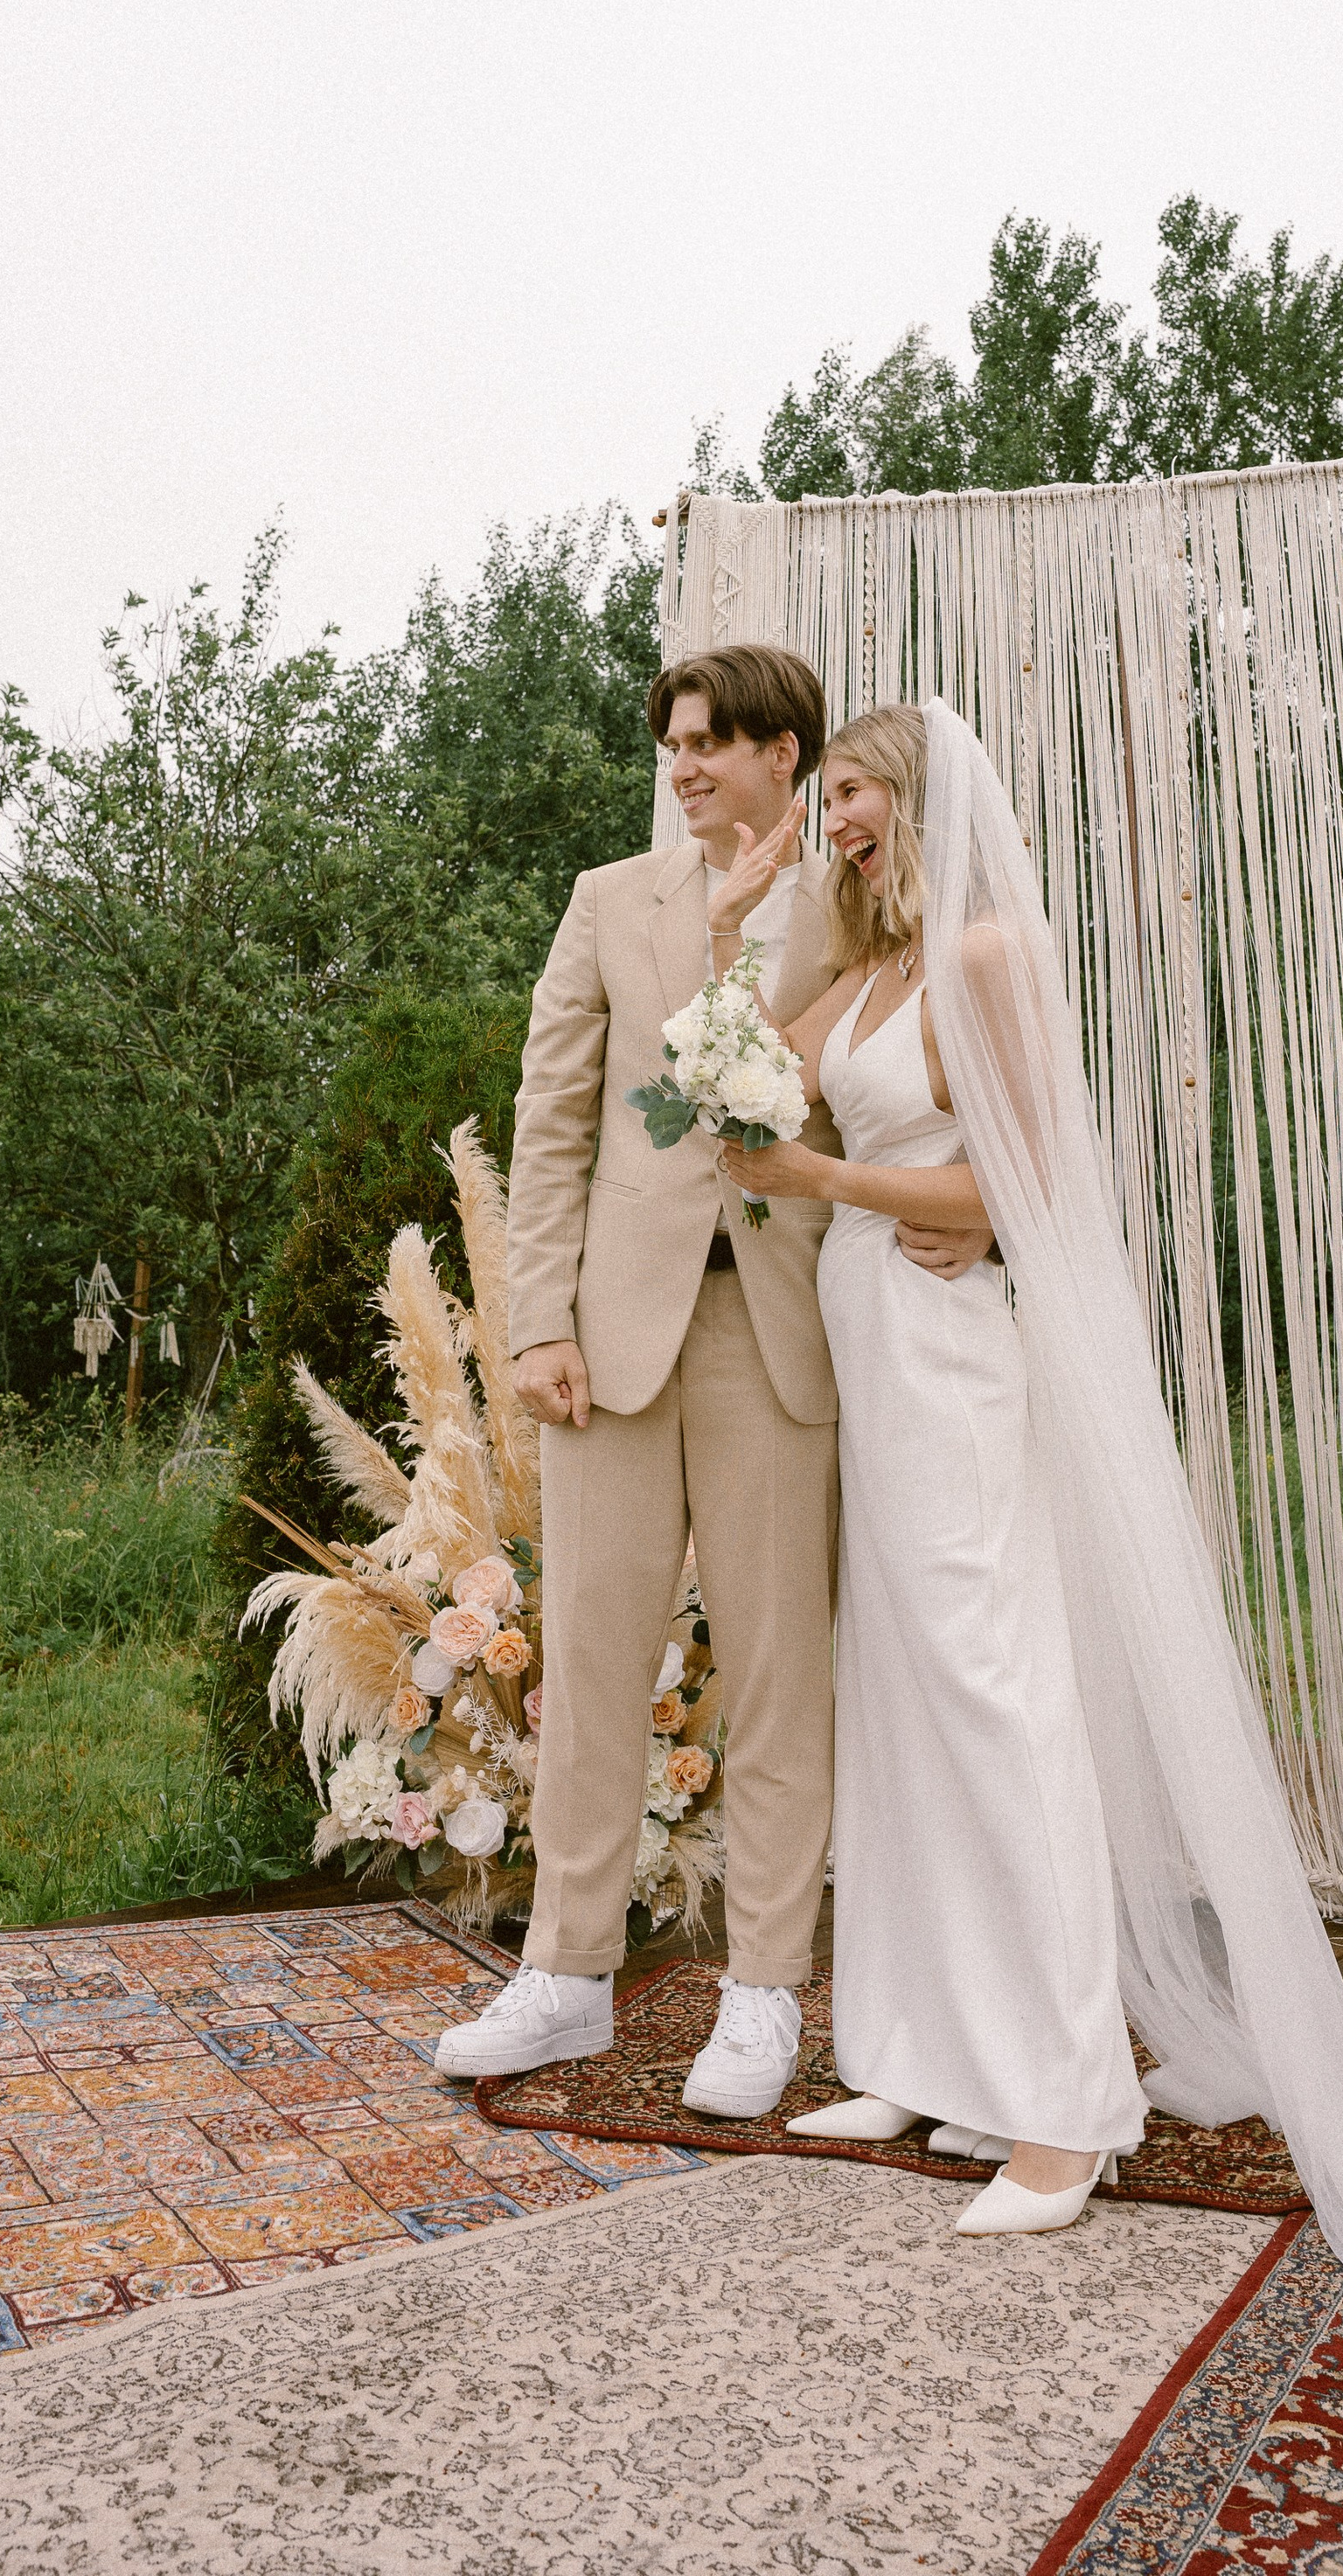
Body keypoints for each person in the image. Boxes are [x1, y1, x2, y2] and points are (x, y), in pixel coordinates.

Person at [711, 698, 1343, 2294]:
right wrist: (740, 914)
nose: (833, 818)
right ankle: (927, 2056)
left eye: (848, 793)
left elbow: (1021, 1186)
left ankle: (1066, 2106)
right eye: (827, 800)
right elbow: (714, 1102)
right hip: (874, 1338)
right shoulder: (859, 977)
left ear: (915, 799)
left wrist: (833, 1181)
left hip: (958, 1364)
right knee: (905, 1698)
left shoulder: (988, 958)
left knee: (999, 1701)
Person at [434, 647, 990, 2115]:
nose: (683, 769)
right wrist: (536, 1317)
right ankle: (564, 1975)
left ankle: (763, 1998)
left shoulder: (857, 900)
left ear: (786, 761)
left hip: (784, 1332)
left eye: (711, 746)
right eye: (673, 746)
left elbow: (910, 1069)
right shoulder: (608, 900)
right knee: (593, 1663)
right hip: (609, 1344)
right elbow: (553, 1118)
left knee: (778, 1679)